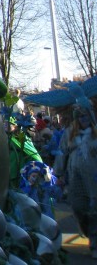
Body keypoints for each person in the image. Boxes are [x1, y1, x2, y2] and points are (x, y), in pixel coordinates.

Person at [54, 105, 97, 258]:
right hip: (75, 178)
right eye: (80, 116)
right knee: (79, 208)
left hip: (94, 179)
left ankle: (94, 242)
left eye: (86, 116)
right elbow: (61, 153)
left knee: (94, 211)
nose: (83, 119)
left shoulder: (95, 133)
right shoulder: (69, 133)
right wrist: (58, 174)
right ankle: (87, 231)